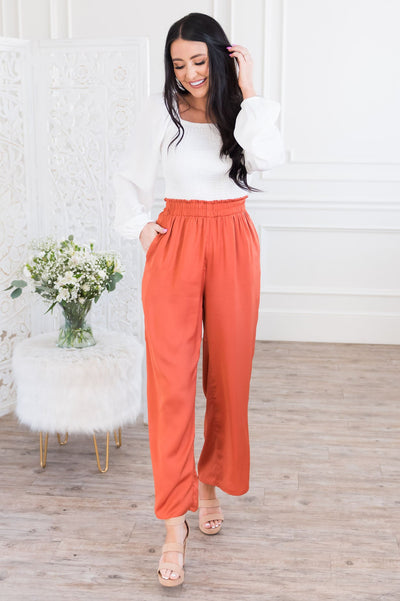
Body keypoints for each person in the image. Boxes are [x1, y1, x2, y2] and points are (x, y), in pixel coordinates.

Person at [113, 12, 285, 587]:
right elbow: (128, 178)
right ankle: (173, 524)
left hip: (233, 238)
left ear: (219, 56)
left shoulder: (241, 112)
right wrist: (142, 230)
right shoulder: (161, 111)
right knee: (170, 386)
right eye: (179, 63)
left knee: (228, 377)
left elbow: (269, 159)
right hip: (177, 241)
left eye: (199, 61)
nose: (189, 73)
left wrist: (250, 89)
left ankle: (209, 480)